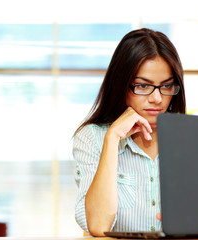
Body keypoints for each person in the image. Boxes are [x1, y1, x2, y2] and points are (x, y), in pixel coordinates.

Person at [72, 28, 186, 237]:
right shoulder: (92, 138)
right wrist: (113, 138)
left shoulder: (189, 138)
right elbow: (97, 225)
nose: (157, 99)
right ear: (121, 85)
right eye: (143, 86)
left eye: (166, 86)